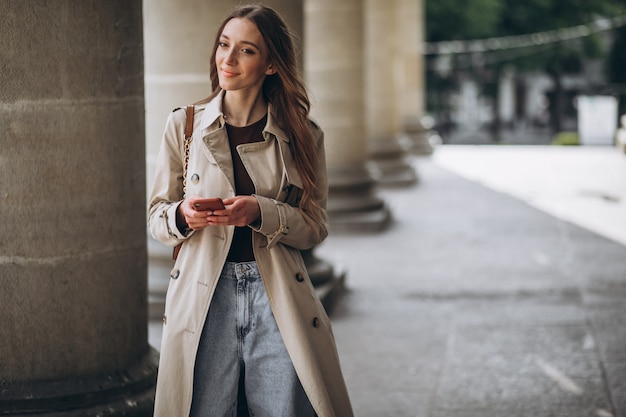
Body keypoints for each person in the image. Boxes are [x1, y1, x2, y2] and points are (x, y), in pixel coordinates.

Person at [147, 4, 354, 417]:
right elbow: (156, 216)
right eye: (224, 45)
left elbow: (315, 226)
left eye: (246, 50)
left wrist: (260, 211)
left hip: (275, 293)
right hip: (205, 294)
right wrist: (183, 216)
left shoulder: (304, 136)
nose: (228, 59)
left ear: (272, 64)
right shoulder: (184, 126)